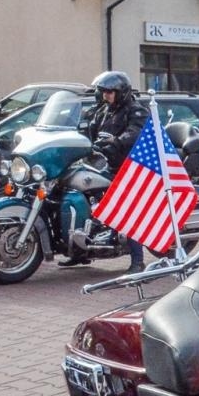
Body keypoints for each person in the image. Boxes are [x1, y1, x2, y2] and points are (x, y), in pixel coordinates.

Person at [73, 70, 150, 271]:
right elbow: (89, 133)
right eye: (103, 91)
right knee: (82, 195)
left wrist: (117, 141)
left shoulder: (137, 111)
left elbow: (135, 132)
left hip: (128, 167)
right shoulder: (103, 111)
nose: (105, 95)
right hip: (102, 165)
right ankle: (79, 251)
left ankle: (137, 261)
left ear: (121, 92)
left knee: (125, 209)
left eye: (109, 91)